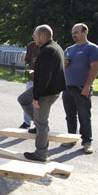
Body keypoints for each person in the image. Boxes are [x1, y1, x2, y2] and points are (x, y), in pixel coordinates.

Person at [18, 25, 66, 162]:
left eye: (35, 36)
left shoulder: (48, 51)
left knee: (41, 121)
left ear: (43, 36)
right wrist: (36, 72)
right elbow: (48, 70)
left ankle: (41, 153)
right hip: (48, 88)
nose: (34, 38)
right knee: (22, 99)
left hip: (46, 92)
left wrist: (36, 97)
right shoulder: (55, 47)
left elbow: (46, 77)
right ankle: (39, 127)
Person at [62, 23, 98, 154]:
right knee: (69, 116)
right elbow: (62, 67)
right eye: (72, 33)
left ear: (85, 32)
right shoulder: (69, 49)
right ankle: (71, 138)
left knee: (84, 116)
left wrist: (87, 86)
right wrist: (64, 64)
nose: (73, 35)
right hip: (68, 87)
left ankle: (87, 142)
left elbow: (95, 67)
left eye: (76, 32)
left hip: (81, 87)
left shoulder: (91, 48)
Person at [19, 40, 40, 130]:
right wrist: (27, 69)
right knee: (26, 100)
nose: (34, 38)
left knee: (38, 103)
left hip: (42, 80)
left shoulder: (48, 47)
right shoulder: (31, 45)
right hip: (32, 78)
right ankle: (27, 122)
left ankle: (39, 125)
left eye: (35, 35)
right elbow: (27, 60)